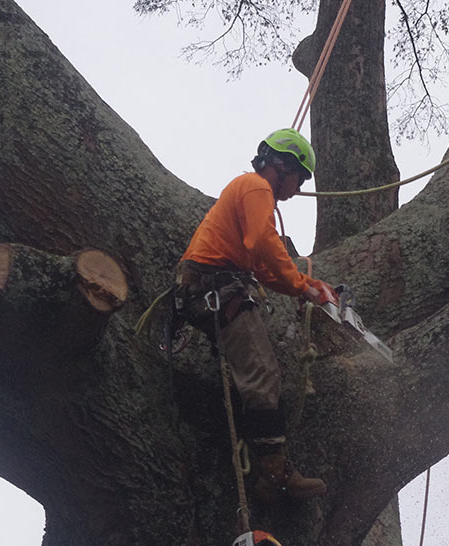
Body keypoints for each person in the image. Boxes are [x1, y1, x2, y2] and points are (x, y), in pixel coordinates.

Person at [176, 128, 334, 502]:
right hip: (217, 289)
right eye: (299, 179)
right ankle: (274, 474)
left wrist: (305, 286)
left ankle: (260, 457)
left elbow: (262, 268)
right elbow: (262, 243)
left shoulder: (249, 193)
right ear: (284, 165)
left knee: (252, 375)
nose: (298, 189)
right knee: (263, 373)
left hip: (211, 287)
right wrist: (301, 286)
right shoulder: (256, 187)